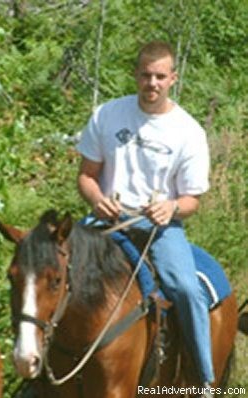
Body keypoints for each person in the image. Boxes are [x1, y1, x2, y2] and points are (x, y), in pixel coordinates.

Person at [76, 41, 213, 394]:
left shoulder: (188, 132)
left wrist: (171, 207)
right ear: (135, 75)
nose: (152, 83)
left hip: (159, 227)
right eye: (146, 75)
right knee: (52, 272)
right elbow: (86, 176)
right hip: (107, 222)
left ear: (172, 79)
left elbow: (192, 200)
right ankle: (41, 371)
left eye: (160, 77)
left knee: (185, 288)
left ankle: (204, 377)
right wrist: (97, 199)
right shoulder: (107, 115)